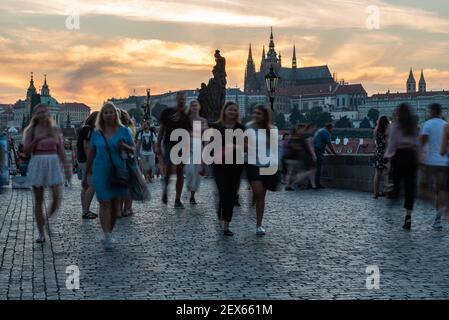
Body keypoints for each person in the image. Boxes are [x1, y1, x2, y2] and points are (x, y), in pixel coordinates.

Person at [83, 102, 134, 249]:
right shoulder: (97, 133)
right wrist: (86, 174)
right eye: (106, 112)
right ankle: (106, 234)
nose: (109, 114)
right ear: (102, 115)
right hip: (100, 171)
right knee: (104, 203)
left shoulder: (124, 131)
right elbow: (91, 153)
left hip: (118, 170)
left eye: (111, 112)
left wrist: (125, 147)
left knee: (114, 204)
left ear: (115, 114)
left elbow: (133, 150)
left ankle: (109, 230)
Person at [22, 104, 66, 243]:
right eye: (39, 112)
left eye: (44, 111)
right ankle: (41, 233)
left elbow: (61, 150)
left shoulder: (54, 129)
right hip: (38, 162)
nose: (42, 114)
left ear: (48, 113)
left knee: (57, 198)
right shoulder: (31, 130)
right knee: (39, 201)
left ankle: (46, 221)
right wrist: (37, 139)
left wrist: (67, 167)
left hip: (53, 162)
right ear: (35, 114)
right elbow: (27, 151)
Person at [211, 101, 245, 236]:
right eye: (230, 110)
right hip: (219, 165)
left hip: (236, 165)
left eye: (235, 110)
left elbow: (247, 146)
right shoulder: (217, 127)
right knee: (223, 192)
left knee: (230, 195)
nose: (233, 112)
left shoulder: (241, 128)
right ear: (224, 111)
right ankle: (220, 212)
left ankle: (226, 225)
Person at [245, 104, 279, 236]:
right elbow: (244, 143)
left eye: (259, 113)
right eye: (255, 113)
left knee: (262, 195)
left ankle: (259, 224)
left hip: (266, 165)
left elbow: (274, 149)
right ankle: (253, 198)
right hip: (252, 164)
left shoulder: (273, 129)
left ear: (265, 115)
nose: (256, 115)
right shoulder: (249, 127)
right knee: (258, 191)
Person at [384, 103, 419, 230]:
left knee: (396, 182)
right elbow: (416, 143)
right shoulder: (412, 126)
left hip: (399, 156)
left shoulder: (394, 127)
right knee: (410, 187)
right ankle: (408, 216)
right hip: (411, 156)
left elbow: (391, 144)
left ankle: (394, 198)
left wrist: (388, 159)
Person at [156, 92, 192, 209]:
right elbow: (162, 129)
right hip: (169, 145)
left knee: (180, 172)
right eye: (180, 98)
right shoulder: (167, 112)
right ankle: (166, 189)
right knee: (169, 171)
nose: (182, 100)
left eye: (184, 99)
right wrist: (158, 144)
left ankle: (177, 199)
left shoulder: (186, 116)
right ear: (177, 99)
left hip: (182, 146)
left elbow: (189, 132)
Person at [419, 103, 448, 229]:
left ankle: (434, 203)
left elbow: (422, 141)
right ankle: (438, 218)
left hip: (430, 162)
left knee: (422, 187)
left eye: (428, 112)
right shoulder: (445, 124)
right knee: (440, 189)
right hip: (444, 162)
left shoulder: (428, 124)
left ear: (432, 112)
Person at [185, 100, 208, 204]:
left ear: (199, 107)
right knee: (189, 170)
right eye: (192, 105)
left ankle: (192, 196)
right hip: (188, 149)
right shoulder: (186, 120)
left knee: (197, 174)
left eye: (196, 105)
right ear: (190, 108)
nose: (194, 107)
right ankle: (189, 185)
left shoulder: (203, 120)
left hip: (199, 149)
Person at [77, 111, 98, 219]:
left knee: (85, 186)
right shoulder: (89, 129)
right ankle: (86, 211)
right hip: (86, 160)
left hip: (81, 159)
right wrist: (90, 162)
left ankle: (85, 210)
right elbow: (87, 146)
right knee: (92, 185)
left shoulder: (83, 128)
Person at [287, 124, 317, 190]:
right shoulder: (304, 136)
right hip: (302, 155)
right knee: (309, 171)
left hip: (295, 156)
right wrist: (313, 155)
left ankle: (291, 183)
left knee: (295, 171)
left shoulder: (294, 136)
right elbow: (309, 146)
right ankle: (293, 181)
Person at [119, 110, 136, 217]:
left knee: (126, 186)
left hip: (127, 159)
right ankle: (123, 208)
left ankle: (127, 208)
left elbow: (132, 147)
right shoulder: (125, 129)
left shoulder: (127, 130)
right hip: (121, 160)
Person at [313, 123, 337, 188]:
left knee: (314, 168)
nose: (332, 130)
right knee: (318, 168)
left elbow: (324, 144)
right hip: (318, 151)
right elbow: (329, 144)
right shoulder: (326, 133)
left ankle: (313, 183)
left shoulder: (321, 130)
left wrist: (329, 152)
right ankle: (317, 184)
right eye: (332, 128)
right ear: (330, 128)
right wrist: (335, 153)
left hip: (314, 149)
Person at [373, 116, 390, 199]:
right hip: (386, 154)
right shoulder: (387, 132)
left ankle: (375, 193)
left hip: (378, 154)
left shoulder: (376, 131)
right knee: (387, 174)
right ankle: (388, 192)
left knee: (377, 175)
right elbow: (388, 143)